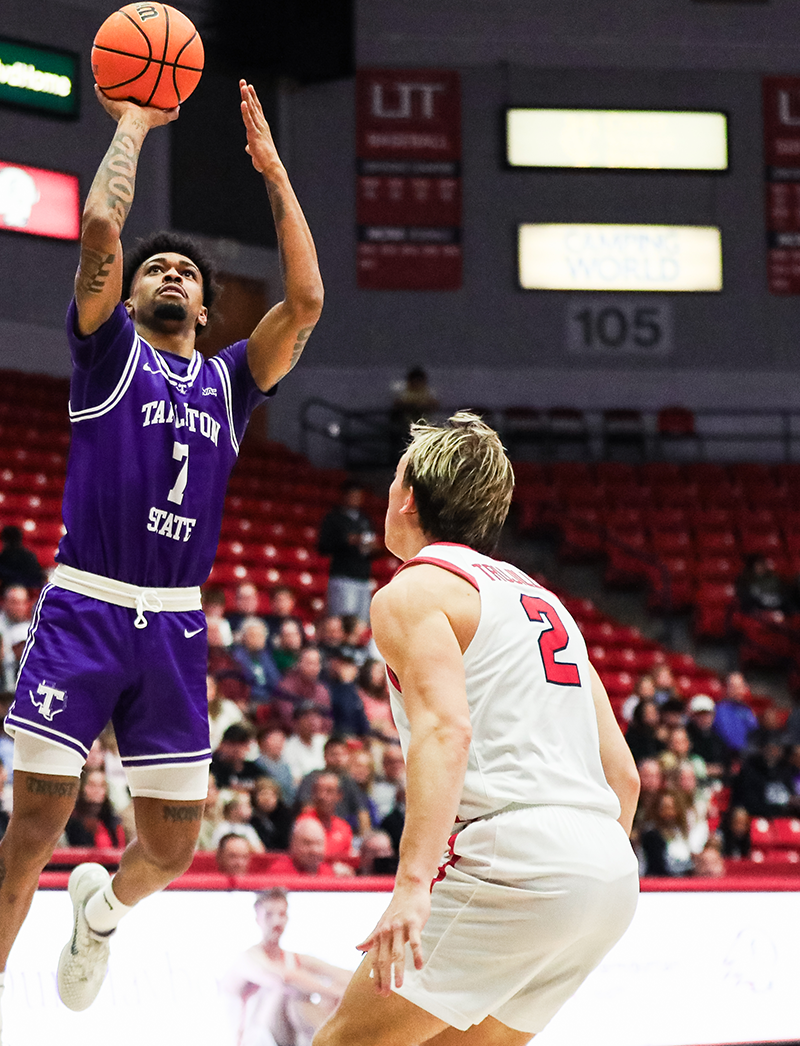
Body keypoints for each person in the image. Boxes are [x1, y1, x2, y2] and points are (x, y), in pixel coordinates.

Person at [0, 80, 324, 1046]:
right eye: (154, 266)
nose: (165, 273)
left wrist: (275, 176)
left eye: (183, 271)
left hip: (172, 616)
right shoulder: (106, 350)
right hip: (84, 605)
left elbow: (310, 300)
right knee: (33, 822)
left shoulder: (233, 381)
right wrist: (133, 122)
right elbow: (100, 231)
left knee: (171, 842)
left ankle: (102, 914)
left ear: (205, 304)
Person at [310, 413, 639, 1046]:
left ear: (407, 497)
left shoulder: (412, 593)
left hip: (516, 858)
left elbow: (446, 732)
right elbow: (622, 776)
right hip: (607, 872)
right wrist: (583, 871)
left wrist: (411, 887)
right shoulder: (547, 604)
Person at [227, 888, 353, 1046]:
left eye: (281, 915)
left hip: (288, 1038)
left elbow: (346, 975)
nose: (276, 922)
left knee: (340, 982)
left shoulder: (294, 958)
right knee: (292, 992)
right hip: (254, 1040)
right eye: (269, 915)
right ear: (257, 918)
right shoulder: (246, 959)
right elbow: (284, 977)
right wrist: (335, 993)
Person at [318, 482, 381, 625]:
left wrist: (375, 547)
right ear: (344, 496)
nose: (356, 499)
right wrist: (347, 541)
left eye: (358, 496)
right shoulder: (333, 518)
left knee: (361, 622)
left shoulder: (365, 519)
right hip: (343, 575)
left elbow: (374, 547)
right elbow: (322, 547)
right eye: (352, 495)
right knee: (343, 620)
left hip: (363, 576)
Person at [0, 525, 46, 592]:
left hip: (19, 592)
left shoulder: (4, 556)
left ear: (5, 541)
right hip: (23, 592)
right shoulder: (29, 556)